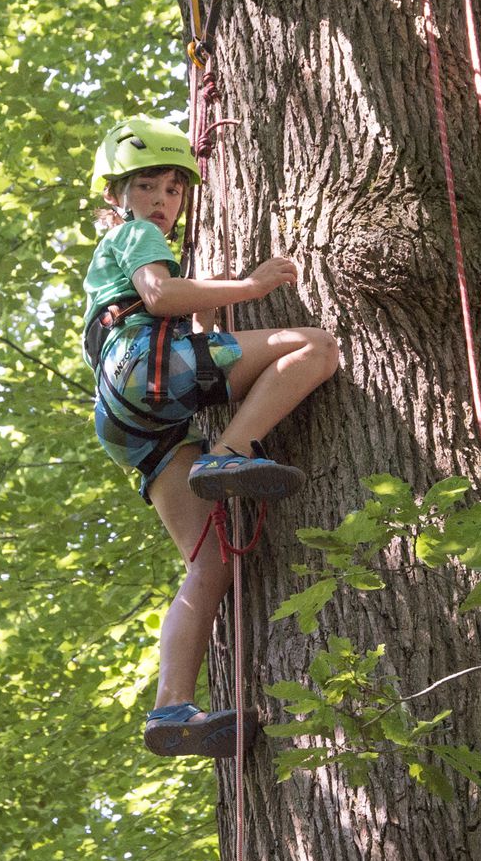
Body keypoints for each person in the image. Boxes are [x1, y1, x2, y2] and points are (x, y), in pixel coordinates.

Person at [83, 117, 341, 757]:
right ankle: (230, 452)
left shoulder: (132, 244)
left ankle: (171, 709)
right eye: (146, 186)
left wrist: (209, 307)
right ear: (117, 196)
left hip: (128, 418)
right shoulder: (134, 236)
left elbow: (183, 311)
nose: (162, 202)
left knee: (210, 562)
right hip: (148, 370)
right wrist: (251, 286)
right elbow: (160, 293)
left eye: (174, 189)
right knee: (316, 345)